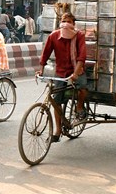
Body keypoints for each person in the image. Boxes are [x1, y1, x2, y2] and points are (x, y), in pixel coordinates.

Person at [36, 12, 88, 143]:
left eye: (69, 22)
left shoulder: (79, 36)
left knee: (82, 88)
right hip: (61, 72)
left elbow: (82, 57)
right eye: (63, 21)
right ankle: (58, 130)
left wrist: (76, 73)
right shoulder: (54, 36)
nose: (66, 24)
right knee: (56, 101)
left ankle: (80, 107)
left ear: (73, 24)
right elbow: (46, 53)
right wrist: (41, 69)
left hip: (77, 70)